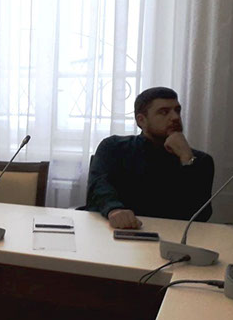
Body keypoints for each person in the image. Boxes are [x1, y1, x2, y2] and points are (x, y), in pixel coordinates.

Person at [86, 87, 214, 229]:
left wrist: (187, 160)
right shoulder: (114, 147)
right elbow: (99, 187)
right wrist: (114, 209)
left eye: (177, 110)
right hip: (115, 230)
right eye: (164, 112)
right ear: (141, 120)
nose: (175, 117)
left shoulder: (201, 161)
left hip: (173, 235)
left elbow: (200, 214)